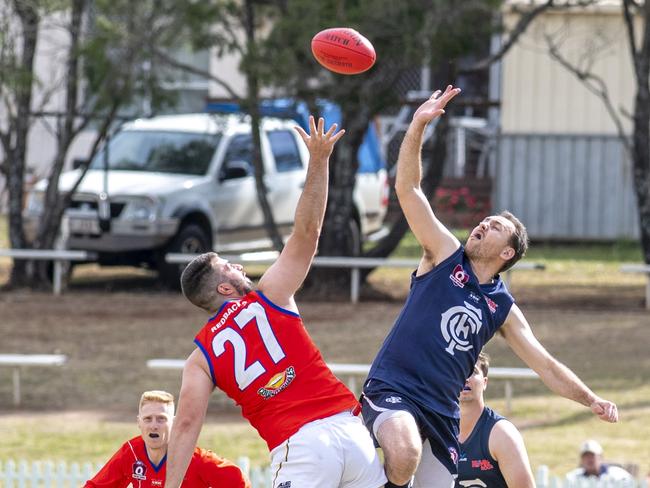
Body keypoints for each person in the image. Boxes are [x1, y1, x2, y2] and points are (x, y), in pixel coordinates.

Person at [361, 85, 619, 488]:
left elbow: (545, 364)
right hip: (396, 388)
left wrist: (590, 399)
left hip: (443, 412)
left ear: (507, 254)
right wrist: (417, 126)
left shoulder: (501, 307)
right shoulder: (444, 255)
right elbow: (408, 190)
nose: (482, 224)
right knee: (405, 452)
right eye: (485, 221)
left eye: (495, 227)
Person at [164, 117, 386, 488]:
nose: (237, 266)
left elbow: (186, 425)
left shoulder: (200, 359)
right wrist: (319, 160)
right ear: (223, 289)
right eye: (228, 267)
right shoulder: (271, 295)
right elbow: (307, 232)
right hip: (351, 434)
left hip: (302, 447)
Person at [84, 390, 250, 487]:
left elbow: (239, 482)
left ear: (174, 422)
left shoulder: (195, 458)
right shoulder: (131, 453)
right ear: (139, 423)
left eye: (161, 419)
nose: (154, 425)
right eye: (148, 419)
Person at [456, 353, 534, 488]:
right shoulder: (435, 430)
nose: (466, 377)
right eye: (459, 370)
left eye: (472, 371)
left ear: (485, 382)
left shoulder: (502, 434)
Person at [565, 440, 634, 484]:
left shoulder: (617, 474)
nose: (589, 459)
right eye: (586, 456)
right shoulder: (573, 477)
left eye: (592, 455)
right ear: (581, 459)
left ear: (601, 457)